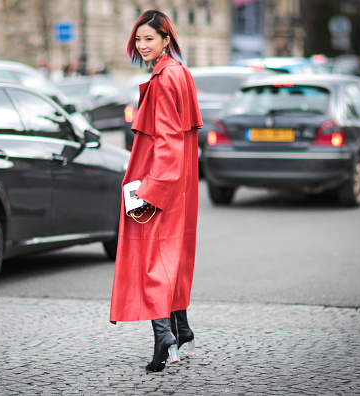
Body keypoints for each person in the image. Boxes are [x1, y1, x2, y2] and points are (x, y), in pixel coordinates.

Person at [109, 10, 202, 372]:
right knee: (170, 259)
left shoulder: (164, 79)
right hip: (180, 186)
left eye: (150, 38)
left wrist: (150, 192)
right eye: (138, 39)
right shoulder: (180, 73)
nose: (142, 45)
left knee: (152, 263)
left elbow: (166, 142)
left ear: (167, 39)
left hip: (162, 183)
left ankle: (164, 339)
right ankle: (182, 332)